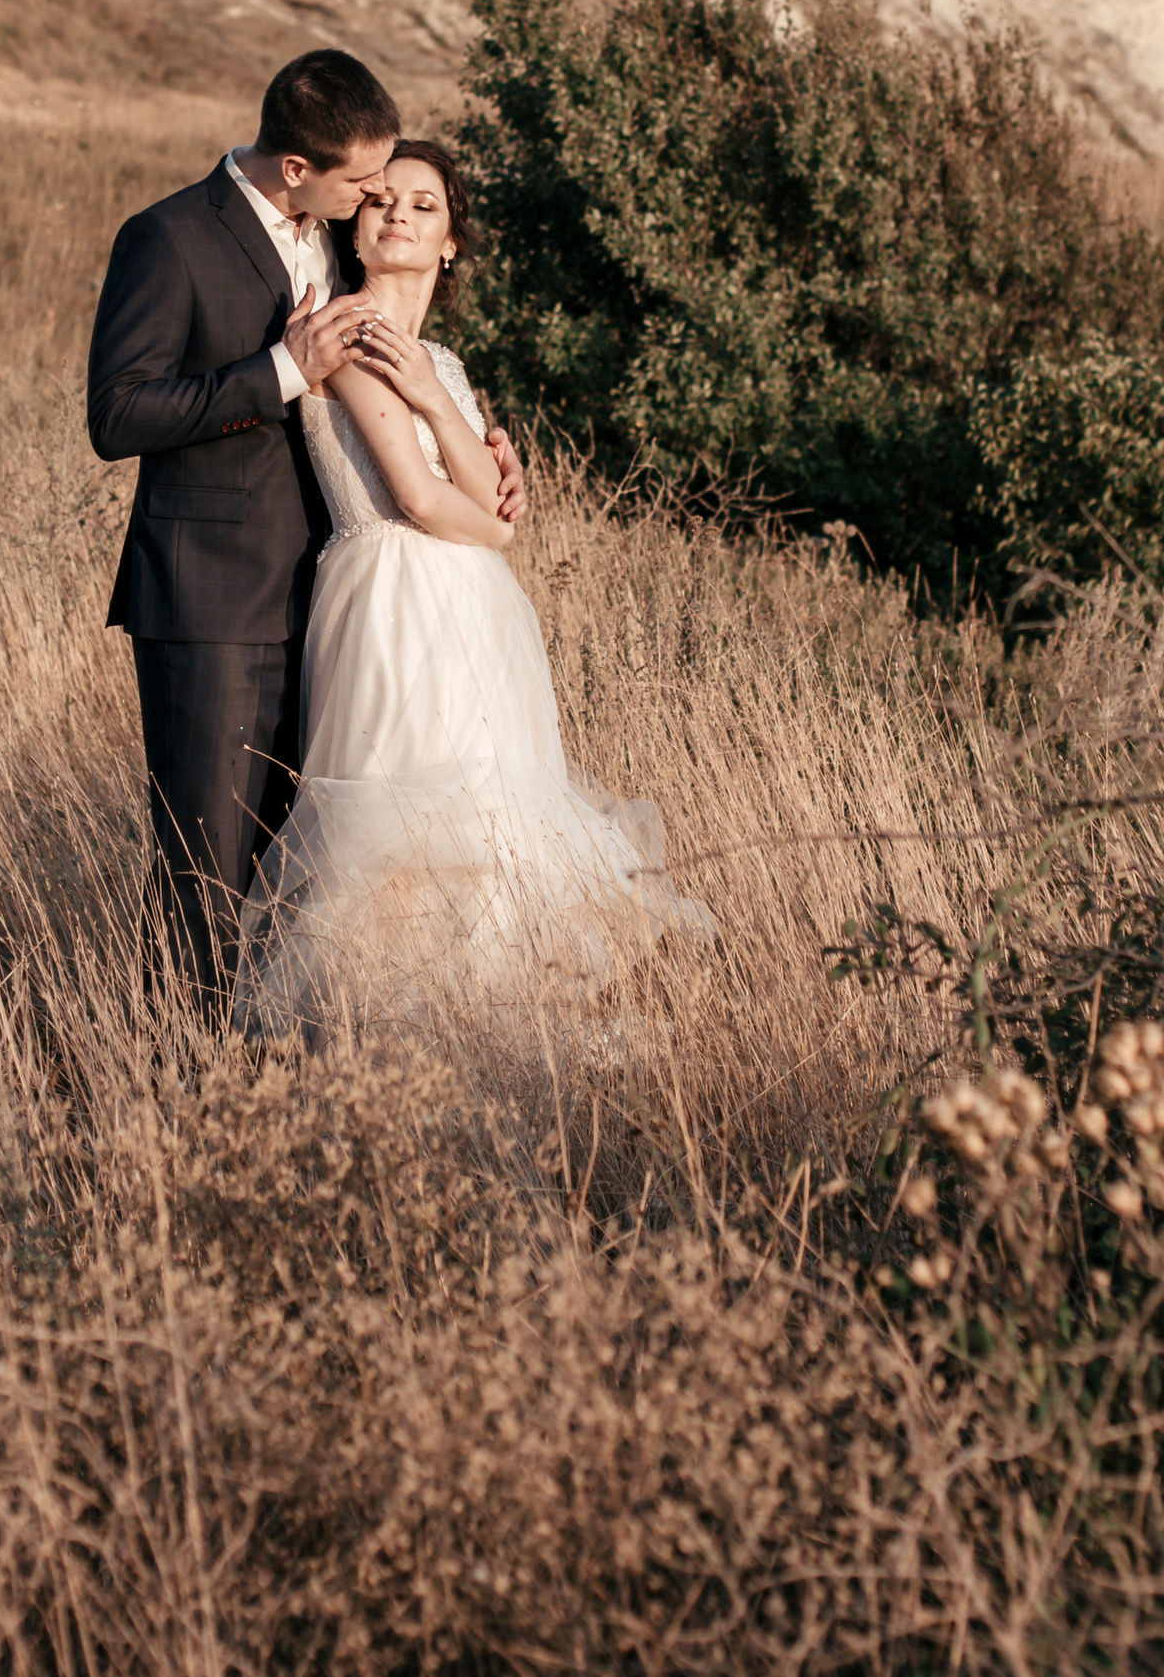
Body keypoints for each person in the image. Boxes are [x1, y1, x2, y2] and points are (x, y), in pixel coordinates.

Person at [87, 52, 527, 1017]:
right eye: (363, 184)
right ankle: (181, 1079)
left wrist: (487, 453)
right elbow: (116, 417)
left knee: (314, 875)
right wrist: (278, 371)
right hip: (214, 599)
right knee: (206, 872)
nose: (379, 199)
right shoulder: (166, 237)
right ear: (297, 168)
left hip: (341, 611)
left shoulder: (338, 240)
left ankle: (288, 1073)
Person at [237, 135, 704, 1035]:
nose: (399, 216)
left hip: (474, 611)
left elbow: (486, 493)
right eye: (382, 202)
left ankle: (496, 1033)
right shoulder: (346, 334)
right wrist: (491, 522)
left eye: (424, 206)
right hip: (392, 604)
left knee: (494, 817)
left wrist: (449, 416)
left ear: (450, 241)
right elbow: (425, 501)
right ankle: (391, 1034)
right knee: (404, 822)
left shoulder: (437, 360)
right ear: (356, 226)